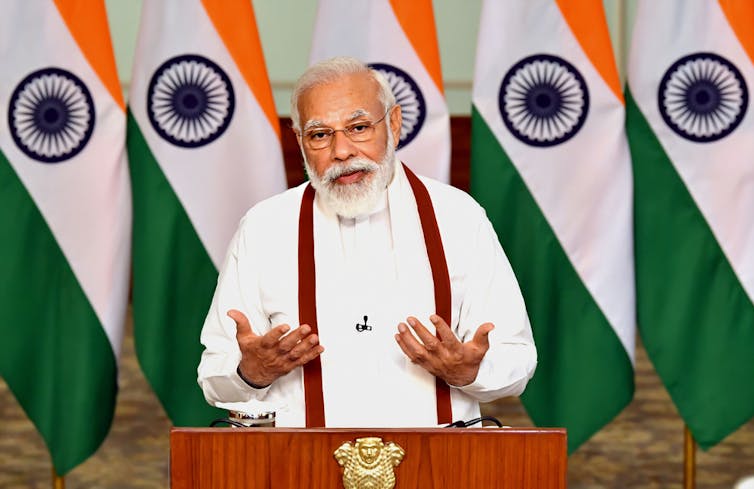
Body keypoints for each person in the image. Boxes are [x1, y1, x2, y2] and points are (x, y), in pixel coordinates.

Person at [197, 56, 536, 427]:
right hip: (299, 471)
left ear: (393, 123)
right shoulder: (265, 227)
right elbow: (214, 376)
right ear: (300, 141)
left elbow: (517, 360)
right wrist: (250, 372)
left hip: (435, 471)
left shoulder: (458, 217)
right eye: (320, 134)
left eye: (358, 127)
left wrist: (468, 371)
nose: (341, 151)